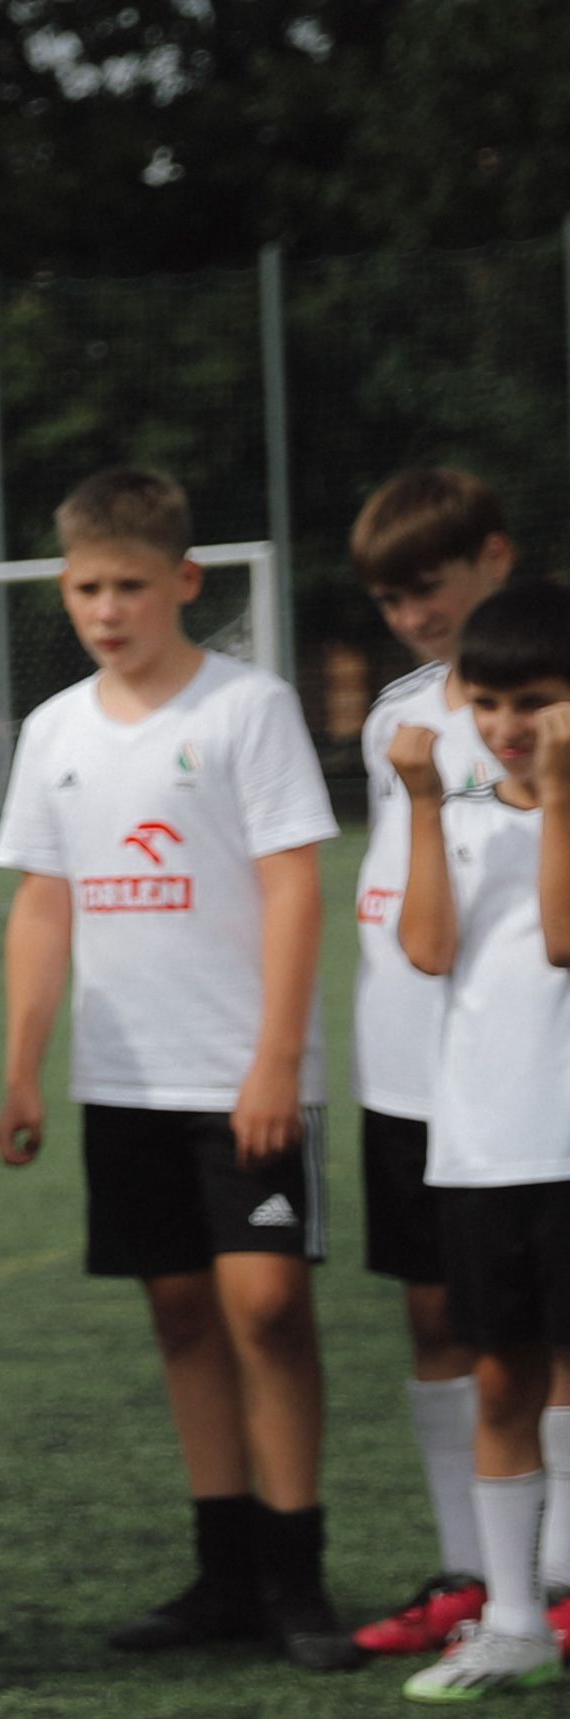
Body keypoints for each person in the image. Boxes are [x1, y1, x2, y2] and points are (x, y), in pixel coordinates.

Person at [0, 469, 353, 1669]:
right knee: (183, 1311)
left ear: (182, 583)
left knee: (266, 1305)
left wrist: (274, 1062)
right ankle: (223, 1575)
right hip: (123, 1079)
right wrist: (22, 1064)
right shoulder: (52, 731)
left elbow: (295, 883)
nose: (106, 608)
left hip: (241, 1075)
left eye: (129, 585)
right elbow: (44, 904)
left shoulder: (243, 710)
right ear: (63, 588)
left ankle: (295, 1573)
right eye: (86, 586)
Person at [344, 470, 527, 1659]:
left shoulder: (545, 696)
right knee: (430, 1316)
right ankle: (465, 1568)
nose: (410, 613)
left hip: (521, 1075)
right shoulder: (395, 715)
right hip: (404, 1066)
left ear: (493, 561)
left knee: (539, 1334)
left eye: (428, 585)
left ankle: (548, 1577)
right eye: (387, 596)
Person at [379, 580, 570, 1704]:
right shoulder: (450, 810)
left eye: (532, 700)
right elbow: (424, 948)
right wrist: (414, 805)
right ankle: (510, 1619)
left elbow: (559, 937)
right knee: (500, 1372)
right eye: (488, 701)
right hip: (483, 1146)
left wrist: (555, 796)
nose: (505, 723)